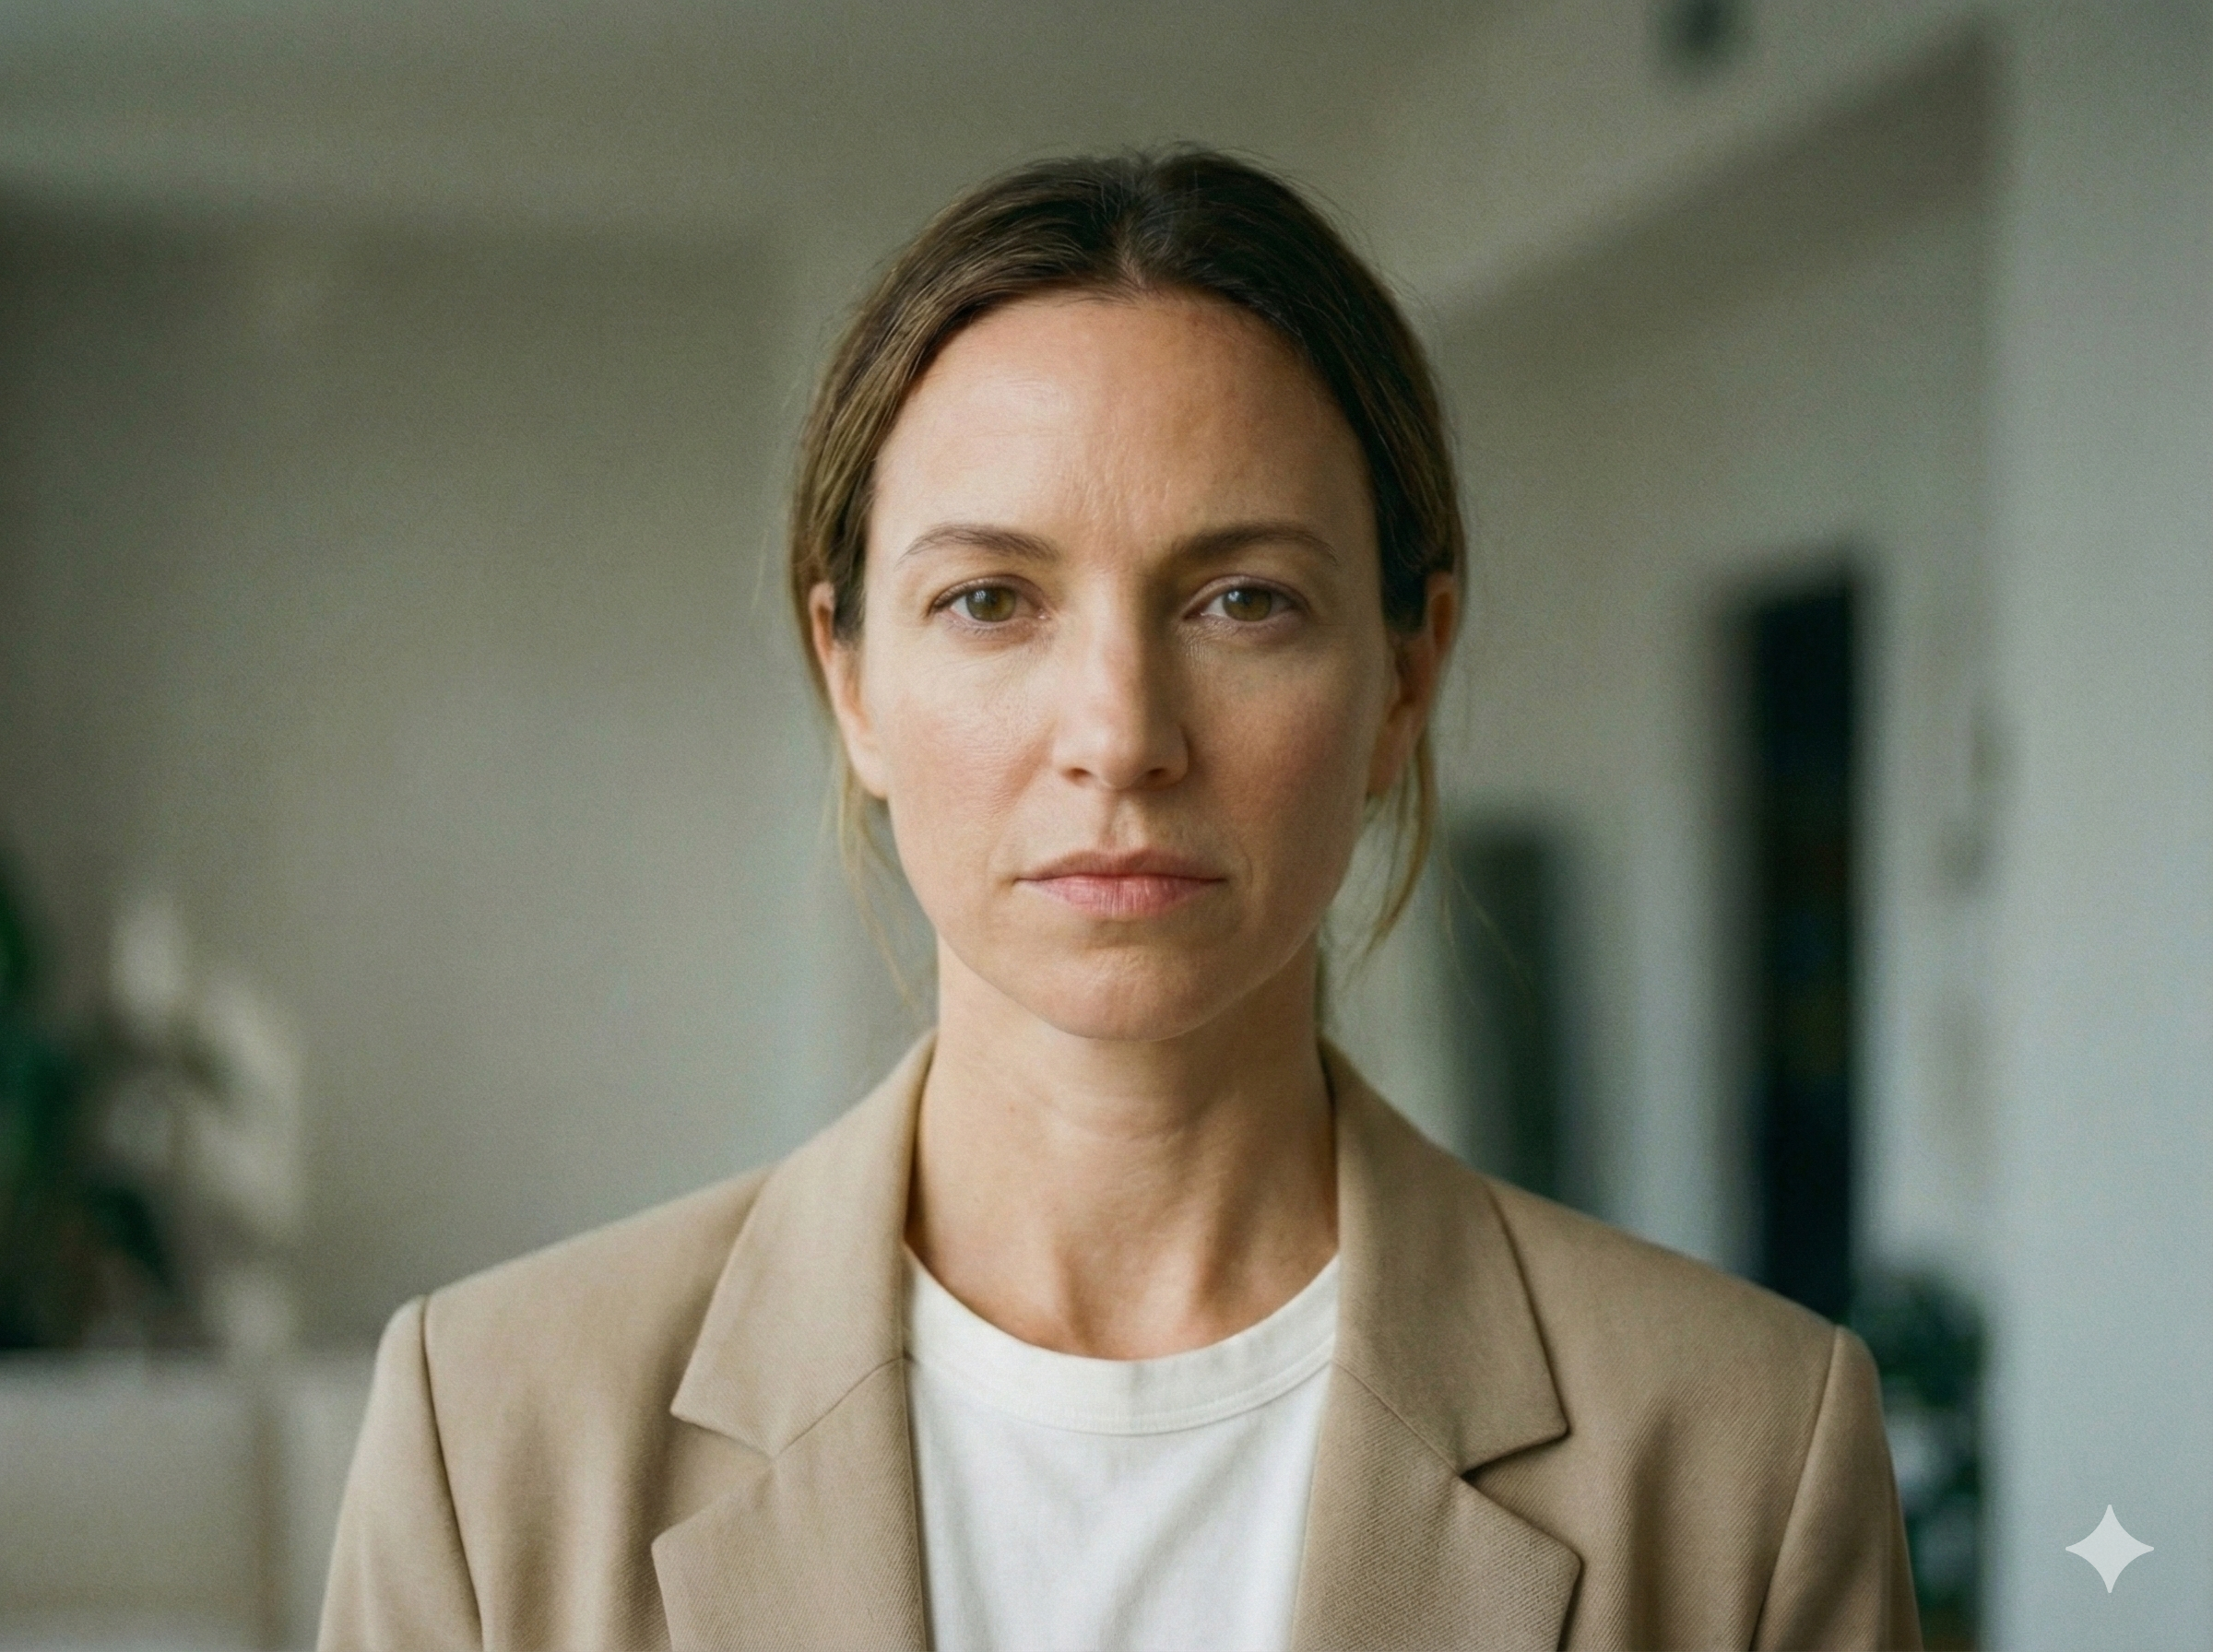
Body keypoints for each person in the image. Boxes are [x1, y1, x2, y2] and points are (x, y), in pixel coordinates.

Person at [320, 149, 1920, 1652]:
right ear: (852, 678)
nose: (1120, 736)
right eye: (990, 600)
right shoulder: (497, 1434)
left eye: (1243, 600)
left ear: (1402, 679)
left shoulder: (1743, 1456)